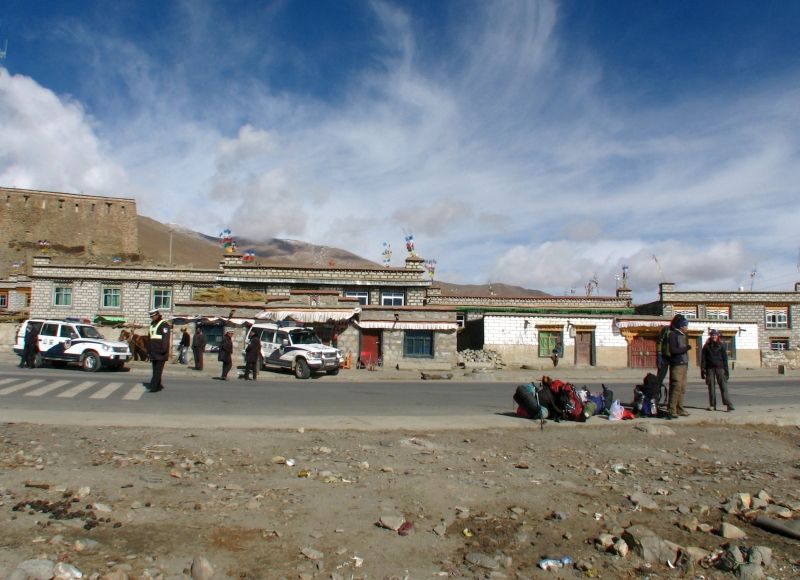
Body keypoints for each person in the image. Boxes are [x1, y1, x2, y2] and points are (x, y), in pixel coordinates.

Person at [701, 329, 734, 412]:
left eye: (715, 335)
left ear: (717, 336)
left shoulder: (721, 345)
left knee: (723, 386)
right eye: (712, 335)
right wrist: (702, 370)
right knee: (711, 386)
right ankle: (712, 405)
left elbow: (724, 359)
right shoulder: (706, 346)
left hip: (720, 368)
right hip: (710, 368)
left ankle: (728, 404)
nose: (713, 337)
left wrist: (726, 371)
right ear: (710, 336)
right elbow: (703, 359)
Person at [667, 318, 692, 419]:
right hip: (677, 364)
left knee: (682, 388)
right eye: (685, 325)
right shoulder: (673, 335)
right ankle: (672, 409)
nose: (686, 327)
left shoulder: (683, 335)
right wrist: (686, 348)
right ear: (681, 326)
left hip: (684, 364)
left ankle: (680, 408)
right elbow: (673, 350)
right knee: (676, 388)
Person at [145, 309, 171, 392]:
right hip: (153, 351)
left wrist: (163, 350)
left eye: (153, 316)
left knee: (158, 371)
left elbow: (166, 339)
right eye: (151, 316)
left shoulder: (164, 324)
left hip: (160, 352)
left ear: (157, 315)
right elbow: (149, 339)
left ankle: (154, 386)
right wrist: (148, 350)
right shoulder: (152, 325)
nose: (152, 318)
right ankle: (158, 385)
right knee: (155, 370)